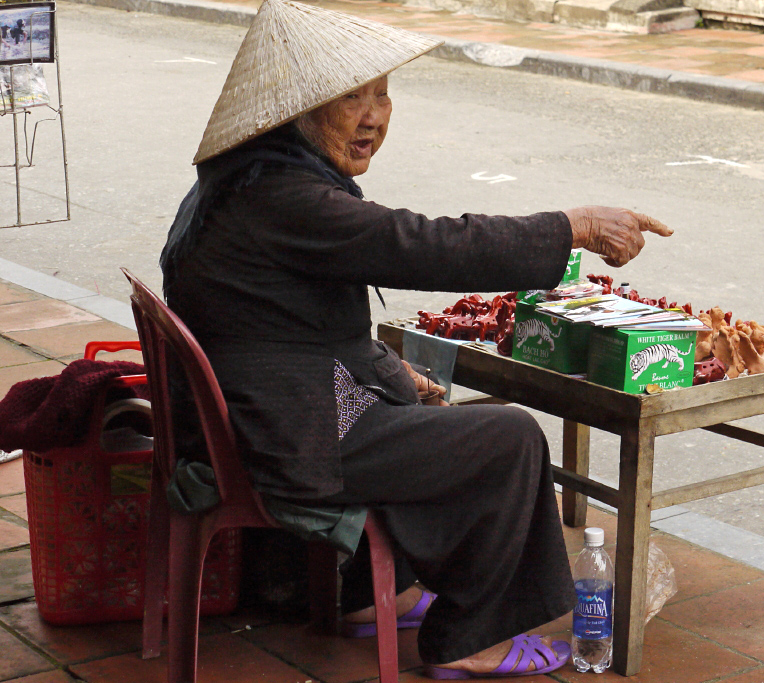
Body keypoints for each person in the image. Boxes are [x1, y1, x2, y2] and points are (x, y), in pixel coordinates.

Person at [160, 0, 672, 678]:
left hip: (263, 413)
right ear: (301, 109)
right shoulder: (285, 198)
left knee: (425, 409)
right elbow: (423, 245)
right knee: (509, 437)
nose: (374, 114)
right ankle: (469, 637)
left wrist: (387, 372)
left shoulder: (244, 180)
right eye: (352, 96)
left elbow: (296, 319)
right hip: (281, 437)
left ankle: (367, 596)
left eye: (383, 93)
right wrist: (570, 226)